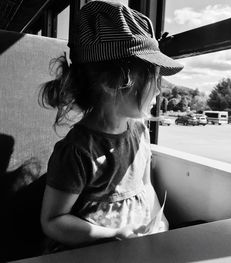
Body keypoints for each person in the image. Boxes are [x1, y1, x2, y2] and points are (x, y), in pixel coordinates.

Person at [39, 1, 183, 253]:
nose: (159, 90)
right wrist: (112, 235)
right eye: (153, 79)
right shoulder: (77, 151)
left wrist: (160, 221)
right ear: (113, 82)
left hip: (131, 250)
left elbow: (145, 187)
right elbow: (53, 221)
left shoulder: (139, 132)